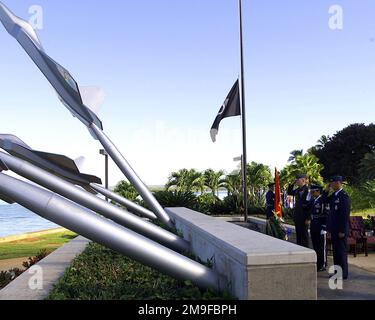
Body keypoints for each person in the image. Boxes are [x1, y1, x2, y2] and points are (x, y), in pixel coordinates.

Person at [326, 176, 351, 280]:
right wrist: (326, 191)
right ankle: (337, 272)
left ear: (338, 183)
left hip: (340, 230)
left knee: (341, 252)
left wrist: (342, 230)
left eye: (332, 183)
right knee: (336, 252)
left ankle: (343, 273)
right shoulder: (334, 195)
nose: (331, 185)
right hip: (334, 229)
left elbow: (344, 215)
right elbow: (324, 200)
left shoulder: (343, 196)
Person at [287, 174, 311, 247]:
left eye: (298, 180)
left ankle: (305, 249)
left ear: (303, 180)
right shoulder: (297, 190)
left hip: (304, 216)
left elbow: (310, 205)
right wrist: (292, 184)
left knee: (304, 235)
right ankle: (299, 247)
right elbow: (290, 192)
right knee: (298, 234)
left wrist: (308, 218)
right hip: (297, 215)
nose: (296, 181)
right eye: (296, 180)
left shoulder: (308, 190)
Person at [309, 185, 329, 272]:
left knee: (321, 247)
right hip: (314, 225)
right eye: (311, 192)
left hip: (320, 225)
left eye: (313, 192)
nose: (312, 193)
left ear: (318, 191)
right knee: (315, 245)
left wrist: (324, 227)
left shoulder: (323, 200)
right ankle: (318, 263)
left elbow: (326, 214)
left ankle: (323, 264)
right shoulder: (313, 200)